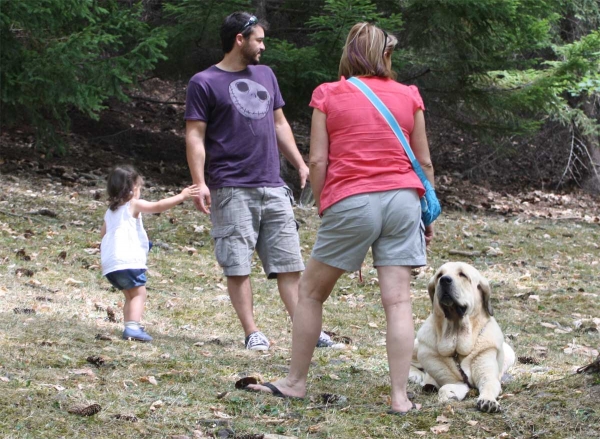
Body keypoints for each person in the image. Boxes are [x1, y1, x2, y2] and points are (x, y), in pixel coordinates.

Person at [248, 23, 436, 414]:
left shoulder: (329, 94)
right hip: (404, 200)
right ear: (382, 54)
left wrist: (325, 203)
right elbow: (424, 162)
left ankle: (295, 382)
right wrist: (426, 212)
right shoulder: (408, 96)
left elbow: (318, 160)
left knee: (311, 293)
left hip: (352, 199)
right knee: (399, 302)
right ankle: (400, 398)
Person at [185, 11, 334, 350]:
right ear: (240, 39)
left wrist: (300, 164)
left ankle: (307, 329)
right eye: (259, 39)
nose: (263, 46)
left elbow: (280, 124)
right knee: (237, 265)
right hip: (231, 187)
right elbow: (195, 136)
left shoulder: (266, 75)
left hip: (272, 184)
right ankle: (253, 332)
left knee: (289, 264)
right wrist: (200, 182)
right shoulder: (204, 82)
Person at [100, 165, 199, 342]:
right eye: (139, 188)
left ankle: (131, 324)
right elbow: (158, 206)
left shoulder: (110, 212)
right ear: (131, 190)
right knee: (139, 294)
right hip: (128, 261)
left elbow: (103, 234)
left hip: (111, 264)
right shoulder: (133, 204)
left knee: (130, 295)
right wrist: (182, 196)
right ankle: (132, 327)